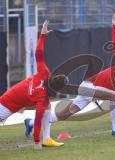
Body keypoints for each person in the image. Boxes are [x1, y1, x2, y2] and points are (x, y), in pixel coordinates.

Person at [25, 11, 115, 137]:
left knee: (64, 114)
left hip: (92, 92)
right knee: (114, 97)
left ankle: (31, 123)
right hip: (87, 86)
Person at [0, 20, 67, 150]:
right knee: (45, 108)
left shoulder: (44, 73)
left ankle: (46, 139)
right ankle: (44, 139)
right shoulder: (42, 98)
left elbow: (38, 54)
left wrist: (42, 35)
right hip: (6, 106)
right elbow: (37, 121)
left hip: (10, 99)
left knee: (47, 108)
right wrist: (36, 143)